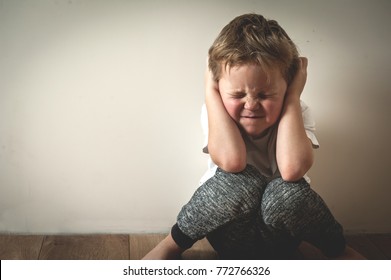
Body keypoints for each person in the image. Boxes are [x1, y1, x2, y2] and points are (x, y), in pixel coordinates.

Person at [143, 13, 364, 260]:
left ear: (289, 86)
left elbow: (292, 170)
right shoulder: (216, 110)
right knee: (238, 181)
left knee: (285, 192)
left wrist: (292, 99)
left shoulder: (297, 111)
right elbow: (231, 162)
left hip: (281, 233)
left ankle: (338, 250)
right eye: (237, 95)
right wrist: (209, 90)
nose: (251, 105)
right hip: (229, 230)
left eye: (266, 95)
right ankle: (172, 245)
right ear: (218, 87)